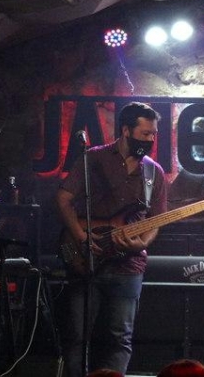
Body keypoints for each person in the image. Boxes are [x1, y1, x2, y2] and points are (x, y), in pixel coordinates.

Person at [56, 102, 168, 377]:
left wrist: (142, 243)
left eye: (153, 134)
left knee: (120, 337)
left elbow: (158, 219)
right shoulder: (93, 159)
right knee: (78, 336)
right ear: (126, 130)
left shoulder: (154, 172)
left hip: (129, 266)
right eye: (145, 134)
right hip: (87, 259)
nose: (150, 140)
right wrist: (81, 237)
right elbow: (63, 199)